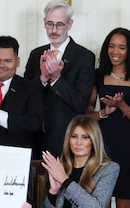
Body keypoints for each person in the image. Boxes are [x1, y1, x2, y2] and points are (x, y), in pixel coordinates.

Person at [85, 28, 130, 208]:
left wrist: (123, 106)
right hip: (101, 151)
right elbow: (86, 115)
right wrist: (104, 112)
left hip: (128, 152)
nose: (115, 52)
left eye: (122, 48)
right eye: (112, 46)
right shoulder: (97, 76)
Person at [24, 0, 95, 157]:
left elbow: (80, 102)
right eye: (50, 24)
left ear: (69, 24)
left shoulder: (84, 57)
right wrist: (42, 78)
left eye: (59, 25)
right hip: (34, 140)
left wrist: (56, 78)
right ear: (44, 22)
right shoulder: (36, 54)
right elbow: (24, 96)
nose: (54, 30)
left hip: (65, 141)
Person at [39, 114, 120, 208]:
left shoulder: (109, 169)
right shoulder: (59, 166)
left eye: (85, 137)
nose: (78, 142)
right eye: (74, 136)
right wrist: (52, 192)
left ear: (94, 140)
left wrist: (65, 180)